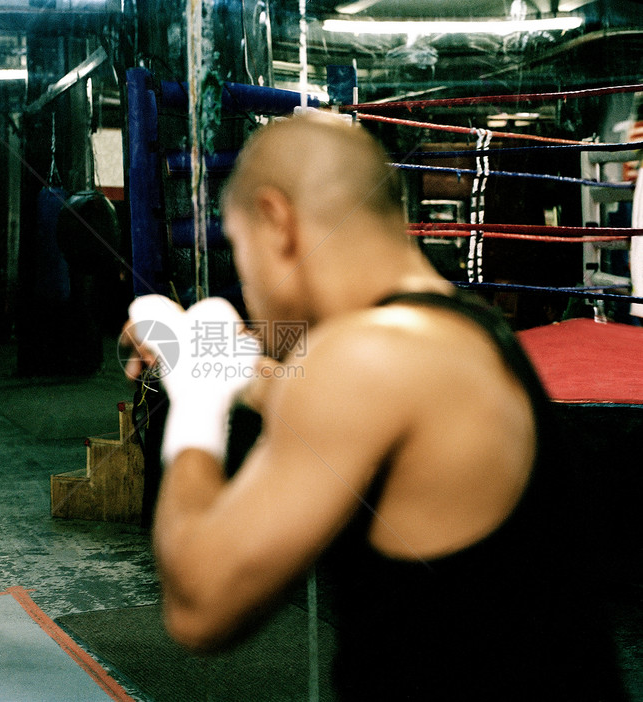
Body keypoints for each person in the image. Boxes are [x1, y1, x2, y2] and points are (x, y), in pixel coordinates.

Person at [122, 114, 626, 700]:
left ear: (278, 222)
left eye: (238, 247)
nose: (246, 280)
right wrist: (190, 347)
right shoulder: (454, 326)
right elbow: (297, 395)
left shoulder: (366, 357)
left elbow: (199, 605)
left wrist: (196, 403)